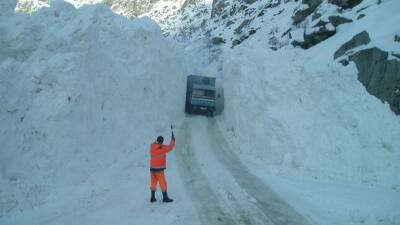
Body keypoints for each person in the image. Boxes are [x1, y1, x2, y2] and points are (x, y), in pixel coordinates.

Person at [149, 131, 175, 203]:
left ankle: (153, 197)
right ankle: (165, 197)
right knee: (162, 183)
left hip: (152, 169)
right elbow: (170, 147)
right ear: (161, 142)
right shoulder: (162, 148)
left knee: (153, 182)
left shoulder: (152, 146)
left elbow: (156, 145)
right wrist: (173, 139)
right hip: (159, 170)